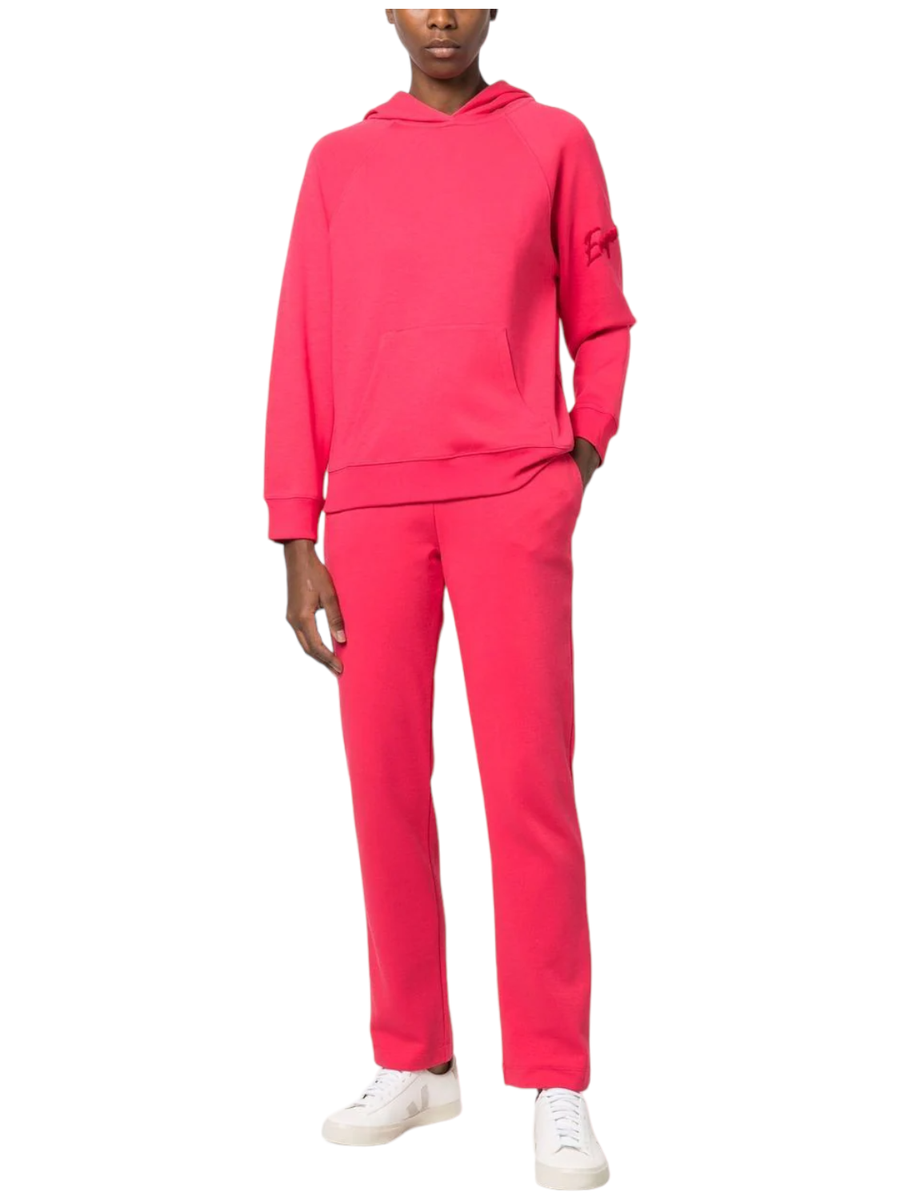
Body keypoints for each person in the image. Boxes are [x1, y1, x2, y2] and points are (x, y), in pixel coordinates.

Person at [263, 9, 636, 1190]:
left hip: (510, 498)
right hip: (371, 511)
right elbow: (300, 345)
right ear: (386, 8)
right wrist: (294, 530)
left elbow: (603, 317)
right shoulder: (339, 162)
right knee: (383, 784)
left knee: (529, 787)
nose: (441, 14)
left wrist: (577, 458)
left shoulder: (554, 141)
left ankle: (556, 1078)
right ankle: (416, 1059)